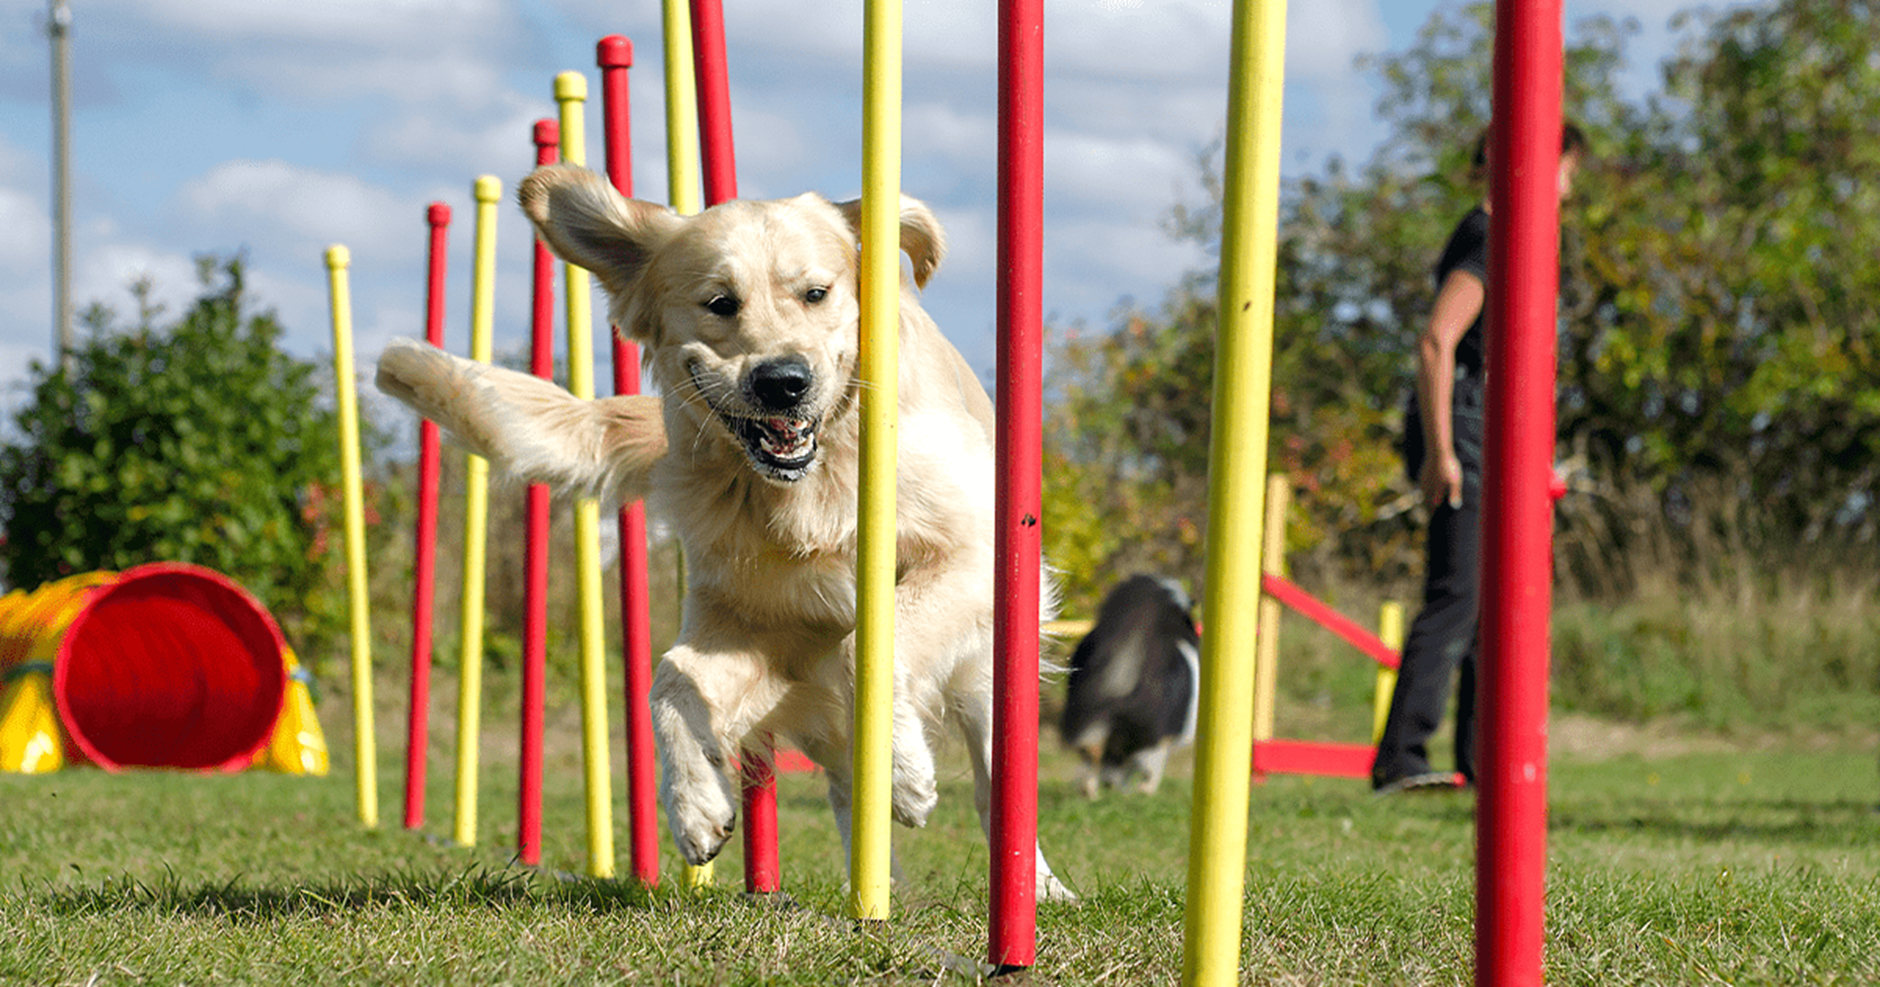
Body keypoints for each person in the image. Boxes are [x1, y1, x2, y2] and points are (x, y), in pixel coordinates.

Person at [1371, 120, 1586, 795]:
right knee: (1458, 596)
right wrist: (1442, 451)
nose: (1568, 190)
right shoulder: (1488, 234)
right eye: (1565, 172)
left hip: (1496, 426)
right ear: (1519, 162)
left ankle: (1476, 758)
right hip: (1463, 425)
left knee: (1495, 603)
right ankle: (1399, 761)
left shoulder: (1515, 238)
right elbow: (1438, 340)